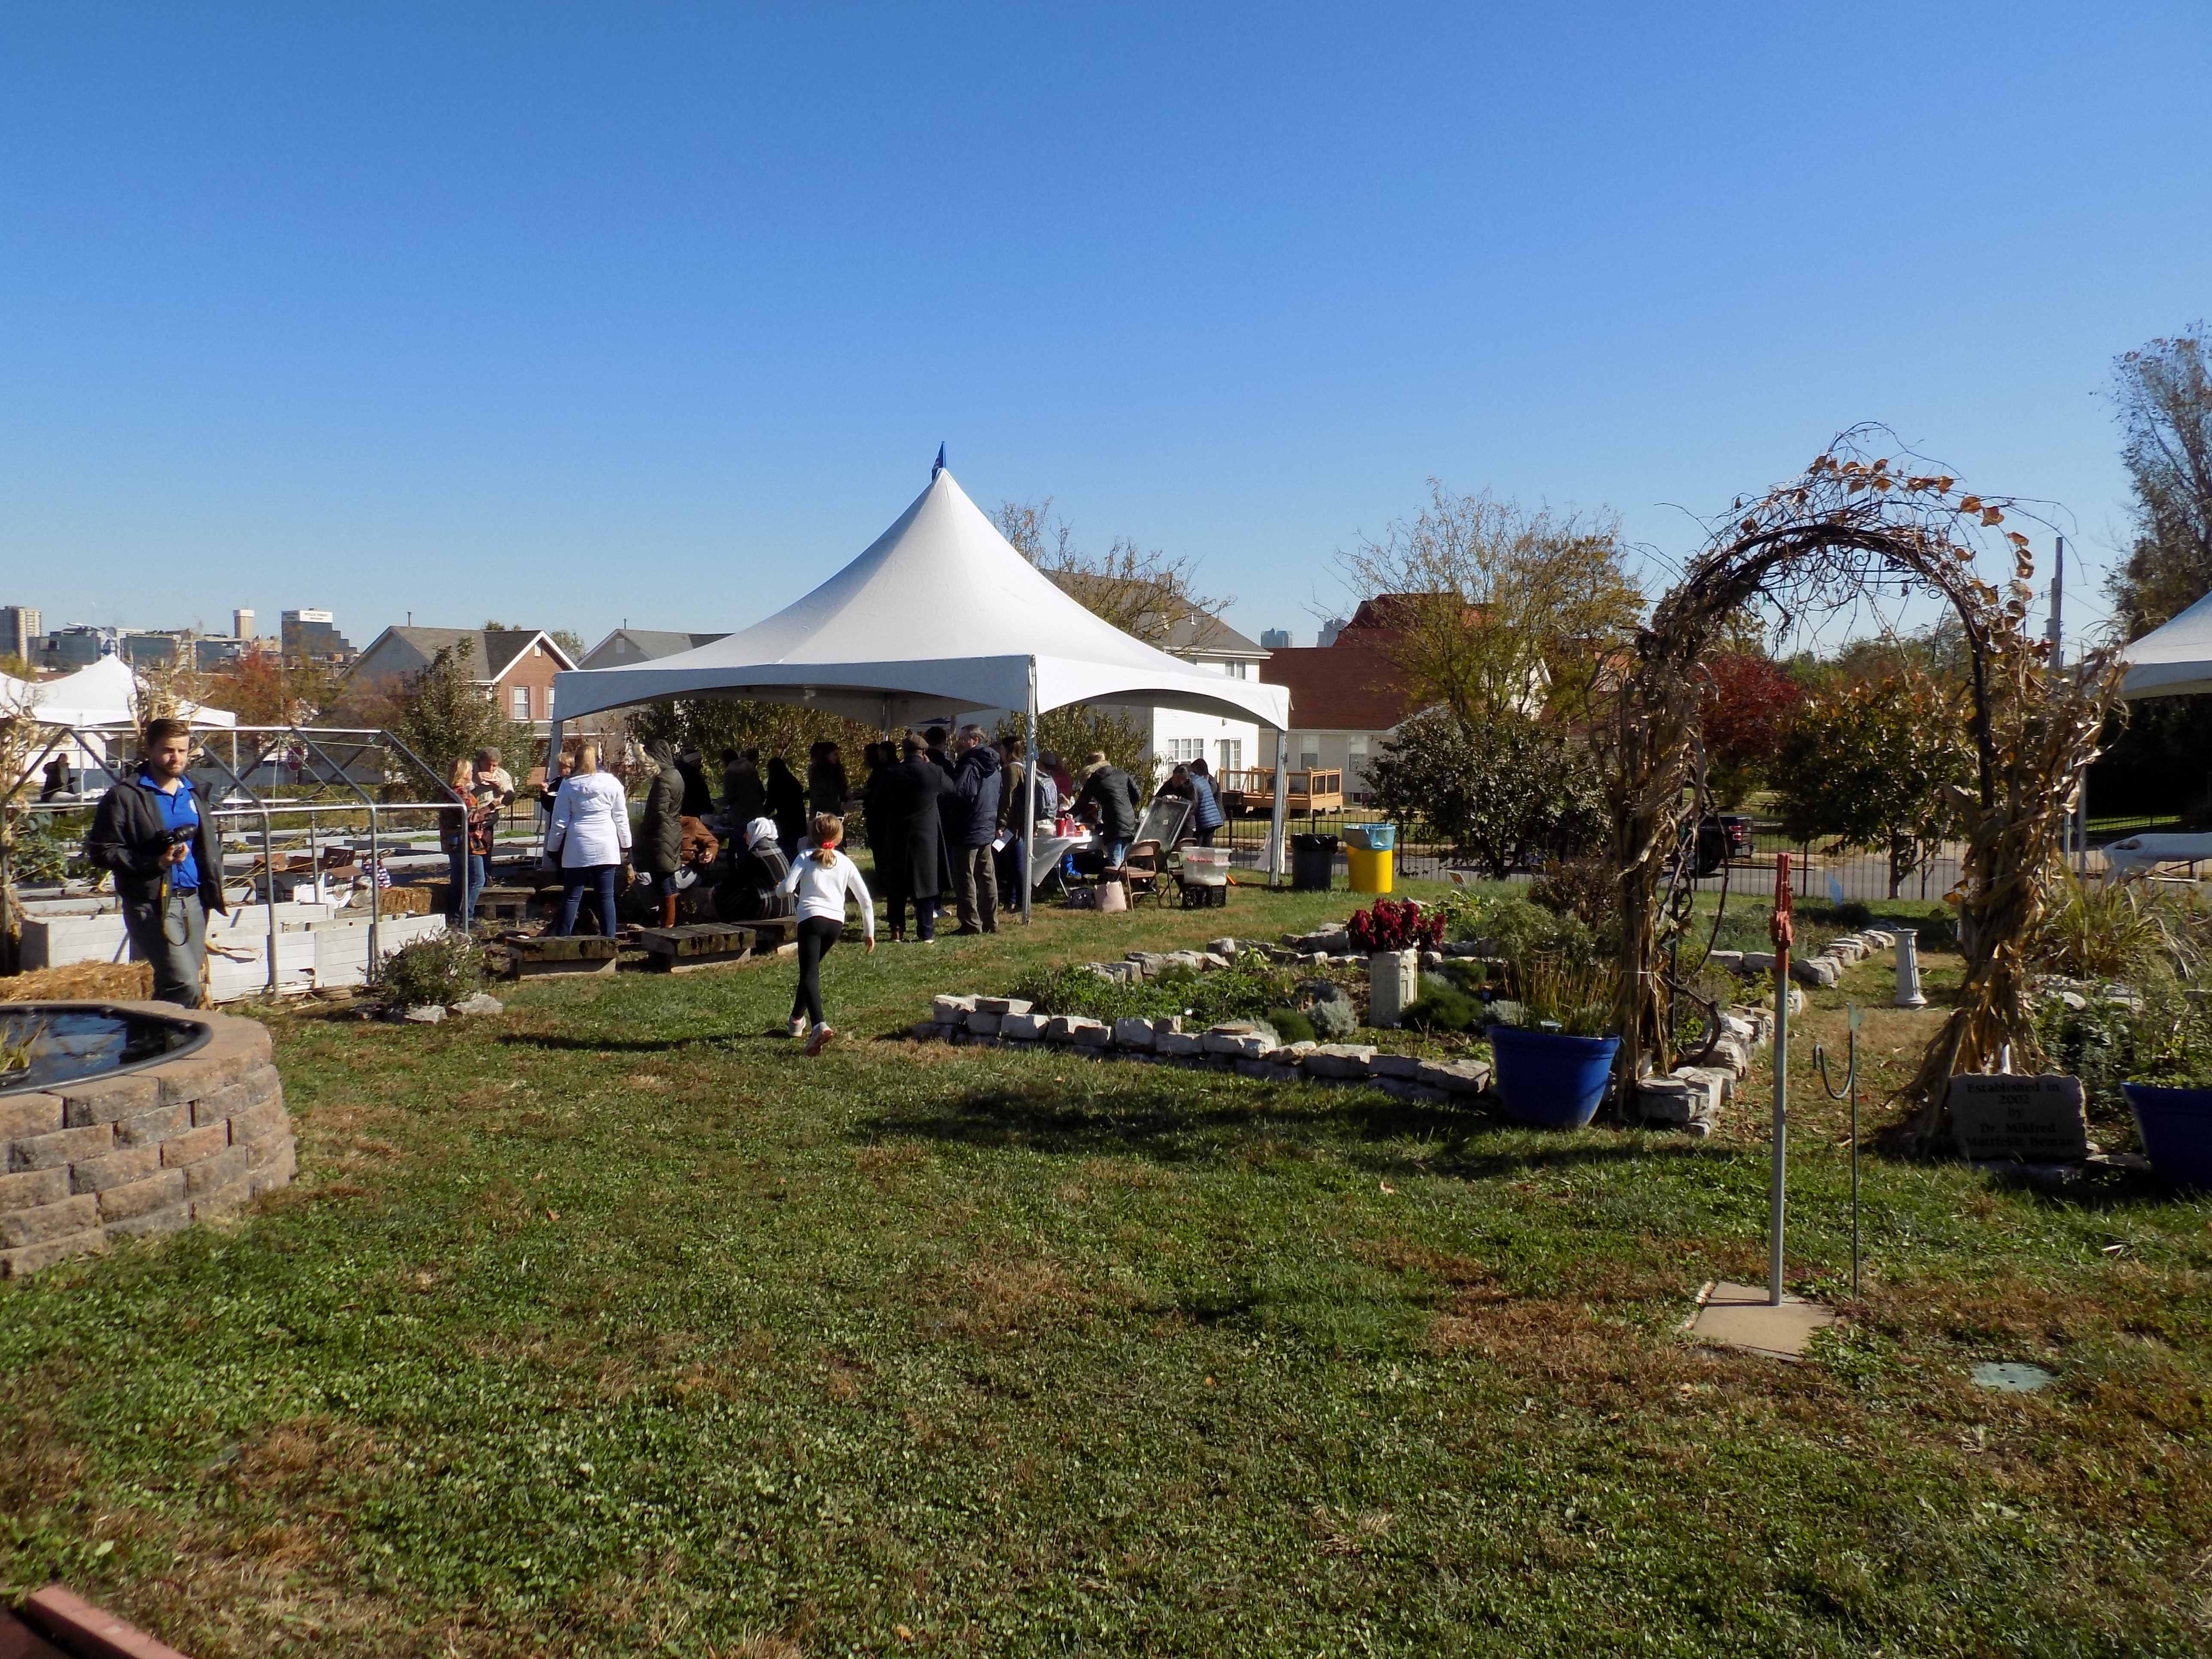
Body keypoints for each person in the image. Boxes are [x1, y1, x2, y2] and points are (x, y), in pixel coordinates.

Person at [85, 716, 227, 1007]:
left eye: (182, 751)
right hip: (152, 903)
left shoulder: (194, 790)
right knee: (185, 984)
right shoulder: (126, 796)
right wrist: (156, 861)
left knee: (174, 986)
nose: (176, 758)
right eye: (168, 750)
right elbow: (102, 851)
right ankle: (159, 1031)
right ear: (149, 749)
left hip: (194, 900)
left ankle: (152, 1032)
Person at [776, 811, 874, 1055]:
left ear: (812, 835)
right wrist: (868, 932)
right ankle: (796, 1020)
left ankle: (819, 1025)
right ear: (839, 838)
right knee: (809, 971)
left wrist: (778, 889)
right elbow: (865, 900)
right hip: (835, 925)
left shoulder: (805, 857)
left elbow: (787, 888)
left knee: (810, 974)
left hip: (811, 920)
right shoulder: (846, 863)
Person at [545, 741, 632, 936]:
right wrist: (627, 844)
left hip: (578, 844)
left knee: (571, 897)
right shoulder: (613, 783)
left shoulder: (569, 785)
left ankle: (562, 940)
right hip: (607, 844)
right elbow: (621, 817)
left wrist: (553, 848)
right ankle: (610, 939)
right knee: (606, 896)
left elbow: (560, 821)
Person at [875, 733, 948, 942]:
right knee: (926, 884)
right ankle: (926, 931)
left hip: (898, 834)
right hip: (926, 837)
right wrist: (931, 765)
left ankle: (897, 929)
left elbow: (878, 802)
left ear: (904, 752)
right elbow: (951, 789)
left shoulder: (891, 773)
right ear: (924, 752)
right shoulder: (933, 772)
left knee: (897, 884)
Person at [946, 724, 1003, 934]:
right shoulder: (994, 766)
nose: (959, 743)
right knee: (987, 876)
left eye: (963, 739)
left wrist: (947, 797)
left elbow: (962, 794)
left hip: (968, 827)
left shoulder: (971, 764)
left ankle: (971, 923)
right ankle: (991, 921)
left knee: (965, 878)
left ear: (975, 741)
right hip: (986, 825)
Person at [635, 738, 685, 929]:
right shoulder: (676, 775)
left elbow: (658, 812)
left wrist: (643, 830)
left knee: (661, 880)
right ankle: (672, 922)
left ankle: (667, 926)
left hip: (661, 836)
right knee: (668, 879)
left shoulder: (663, 780)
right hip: (671, 832)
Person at [715, 817, 793, 922]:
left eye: (747, 833)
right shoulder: (777, 849)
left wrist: (716, 889)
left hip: (771, 909)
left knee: (720, 894)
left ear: (755, 833)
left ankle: (729, 926)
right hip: (789, 907)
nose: (744, 836)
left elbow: (736, 882)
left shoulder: (755, 855)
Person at [1072, 751, 1142, 869]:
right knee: (1121, 859)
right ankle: (1120, 879)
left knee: (1115, 861)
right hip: (1129, 819)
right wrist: (1124, 805)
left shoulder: (1095, 779)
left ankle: (1115, 880)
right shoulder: (1121, 773)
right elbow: (1137, 796)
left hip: (1114, 823)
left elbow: (1081, 803)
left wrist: (1066, 815)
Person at [444, 757, 486, 924]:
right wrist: (492, 807)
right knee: (477, 878)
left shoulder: (449, 791)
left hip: (453, 839)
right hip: (466, 840)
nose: (473, 773)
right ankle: (466, 917)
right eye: (470, 770)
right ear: (464, 772)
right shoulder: (461, 792)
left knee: (458, 878)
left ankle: (454, 916)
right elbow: (471, 817)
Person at [992, 735, 1030, 904]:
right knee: (1013, 861)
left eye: (1002, 749)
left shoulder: (1011, 770)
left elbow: (1008, 797)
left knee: (1015, 862)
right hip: (1019, 821)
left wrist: (1002, 823)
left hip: (1012, 823)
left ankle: (1020, 899)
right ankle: (1012, 898)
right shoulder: (1023, 767)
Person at [764, 755, 806, 859]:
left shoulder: (776, 781)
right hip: (799, 819)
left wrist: (760, 815)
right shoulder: (792, 780)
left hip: (786, 822)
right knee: (795, 849)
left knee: (787, 849)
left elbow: (771, 803)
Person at [721, 747, 766, 826]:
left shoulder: (730, 773)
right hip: (758, 813)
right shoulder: (751, 770)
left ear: (725, 761)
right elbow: (762, 793)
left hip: (740, 815)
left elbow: (729, 797)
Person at [1186, 757, 1225, 847]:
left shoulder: (1207, 782)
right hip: (1212, 816)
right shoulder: (1204, 781)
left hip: (1207, 816)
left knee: (1200, 845)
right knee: (1207, 845)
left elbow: (1200, 799)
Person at [808, 741, 850, 820]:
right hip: (822, 816)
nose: (837, 757)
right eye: (834, 754)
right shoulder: (818, 773)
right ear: (826, 755)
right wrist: (840, 806)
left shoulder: (837, 772)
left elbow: (840, 792)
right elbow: (818, 799)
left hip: (836, 816)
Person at [675, 747, 714, 819]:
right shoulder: (693, 777)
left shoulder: (679, 774)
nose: (701, 764)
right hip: (693, 814)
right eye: (699, 761)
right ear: (692, 761)